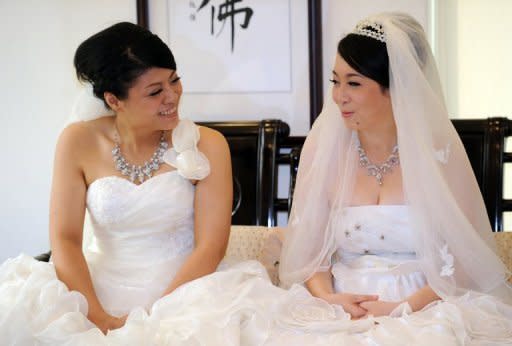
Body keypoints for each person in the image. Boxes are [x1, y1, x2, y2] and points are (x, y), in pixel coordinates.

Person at [0, 22, 283, 345]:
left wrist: (155, 316)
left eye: (174, 80)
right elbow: (64, 239)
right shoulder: (77, 141)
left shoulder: (209, 144)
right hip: (95, 289)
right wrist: (96, 315)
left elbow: (211, 247)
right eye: (154, 91)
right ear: (114, 100)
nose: (172, 96)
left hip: (188, 293)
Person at [276, 12, 512, 344]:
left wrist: (402, 307)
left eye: (354, 83)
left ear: (395, 88)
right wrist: (328, 299)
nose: (339, 96)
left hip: (427, 307)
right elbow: (311, 252)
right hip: (342, 306)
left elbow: (463, 260)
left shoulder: (438, 153)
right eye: (336, 81)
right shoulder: (324, 149)